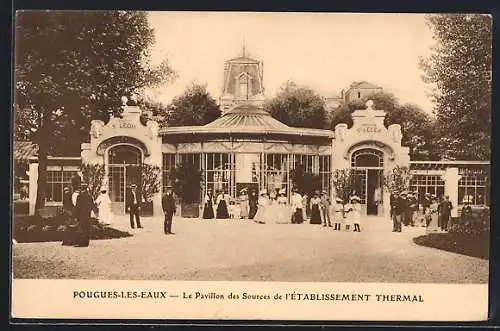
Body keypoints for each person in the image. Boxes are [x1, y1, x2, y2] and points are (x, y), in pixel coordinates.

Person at [73, 183, 94, 247]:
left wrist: (76, 215)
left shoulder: (79, 196)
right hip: (87, 215)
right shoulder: (89, 196)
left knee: (81, 229)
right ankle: (86, 243)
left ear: (81, 189)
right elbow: (91, 206)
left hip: (81, 215)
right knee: (86, 229)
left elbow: (77, 207)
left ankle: (81, 243)